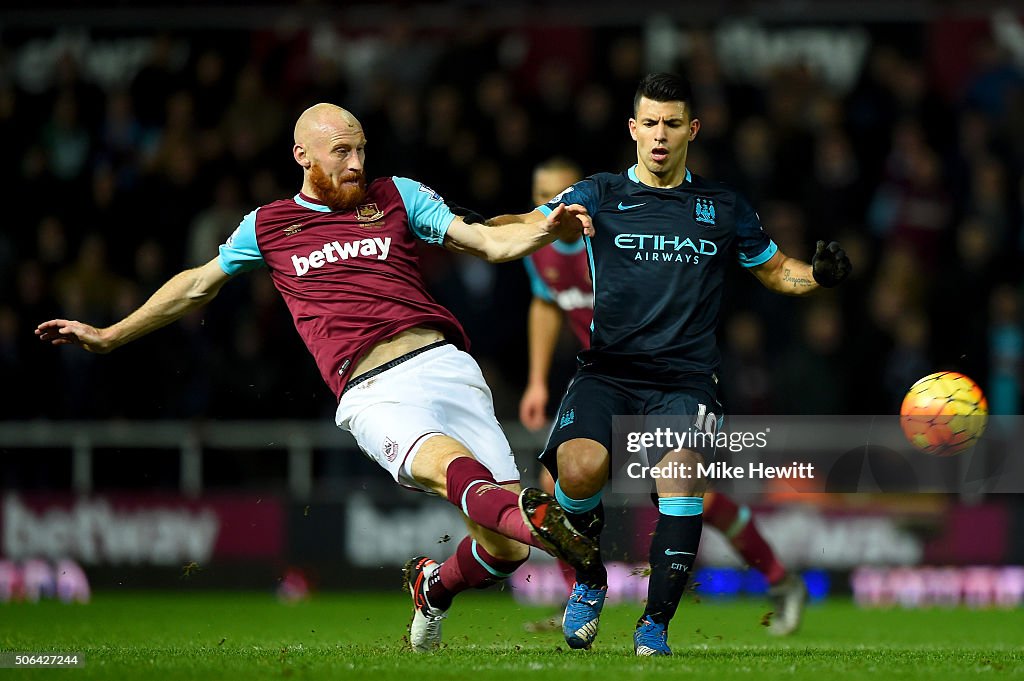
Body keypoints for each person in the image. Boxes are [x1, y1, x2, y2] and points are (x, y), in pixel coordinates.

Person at [35, 102, 600, 653]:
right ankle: (574, 550)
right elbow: (195, 284)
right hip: (374, 392)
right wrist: (111, 335)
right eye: (341, 152)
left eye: (360, 150)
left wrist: (548, 229)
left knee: (505, 550)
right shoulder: (269, 225)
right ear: (302, 154)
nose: (356, 164)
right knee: (461, 474)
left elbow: (488, 241)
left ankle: (435, 585)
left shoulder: (396, 195)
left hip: (449, 368)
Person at [488, 74, 851, 656]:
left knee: (683, 481)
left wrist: (818, 276)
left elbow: (777, 269)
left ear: (692, 130)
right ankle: (589, 580)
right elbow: (517, 228)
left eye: (672, 123)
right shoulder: (600, 192)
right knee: (575, 472)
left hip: (684, 380)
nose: (660, 135)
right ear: (633, 129)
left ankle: (654, 625)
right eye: (650, 123)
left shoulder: (722, 207)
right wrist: (492, 226)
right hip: (606, 371)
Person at [519, 157, 808, 637]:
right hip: (606, 382)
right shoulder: (544, 253)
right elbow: (546, 304)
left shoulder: (613, 235)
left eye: (563, 191)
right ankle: (581, 590)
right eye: (543, 195)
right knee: (562, 479)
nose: (557, 204)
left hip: (669, 378)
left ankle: (780, 580)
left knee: (694, 493)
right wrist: (536, 380)